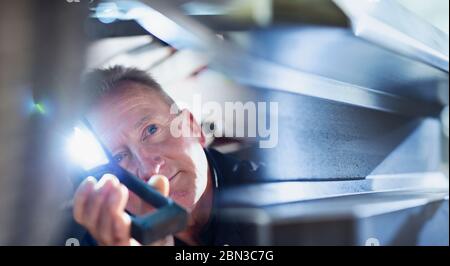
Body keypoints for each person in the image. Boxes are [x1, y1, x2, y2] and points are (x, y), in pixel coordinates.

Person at [72, 66, 264, 246]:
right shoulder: (107, 238)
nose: (149, 169)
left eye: (151, 130)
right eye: (119, 157)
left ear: (193, 126)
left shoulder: (275, 199)